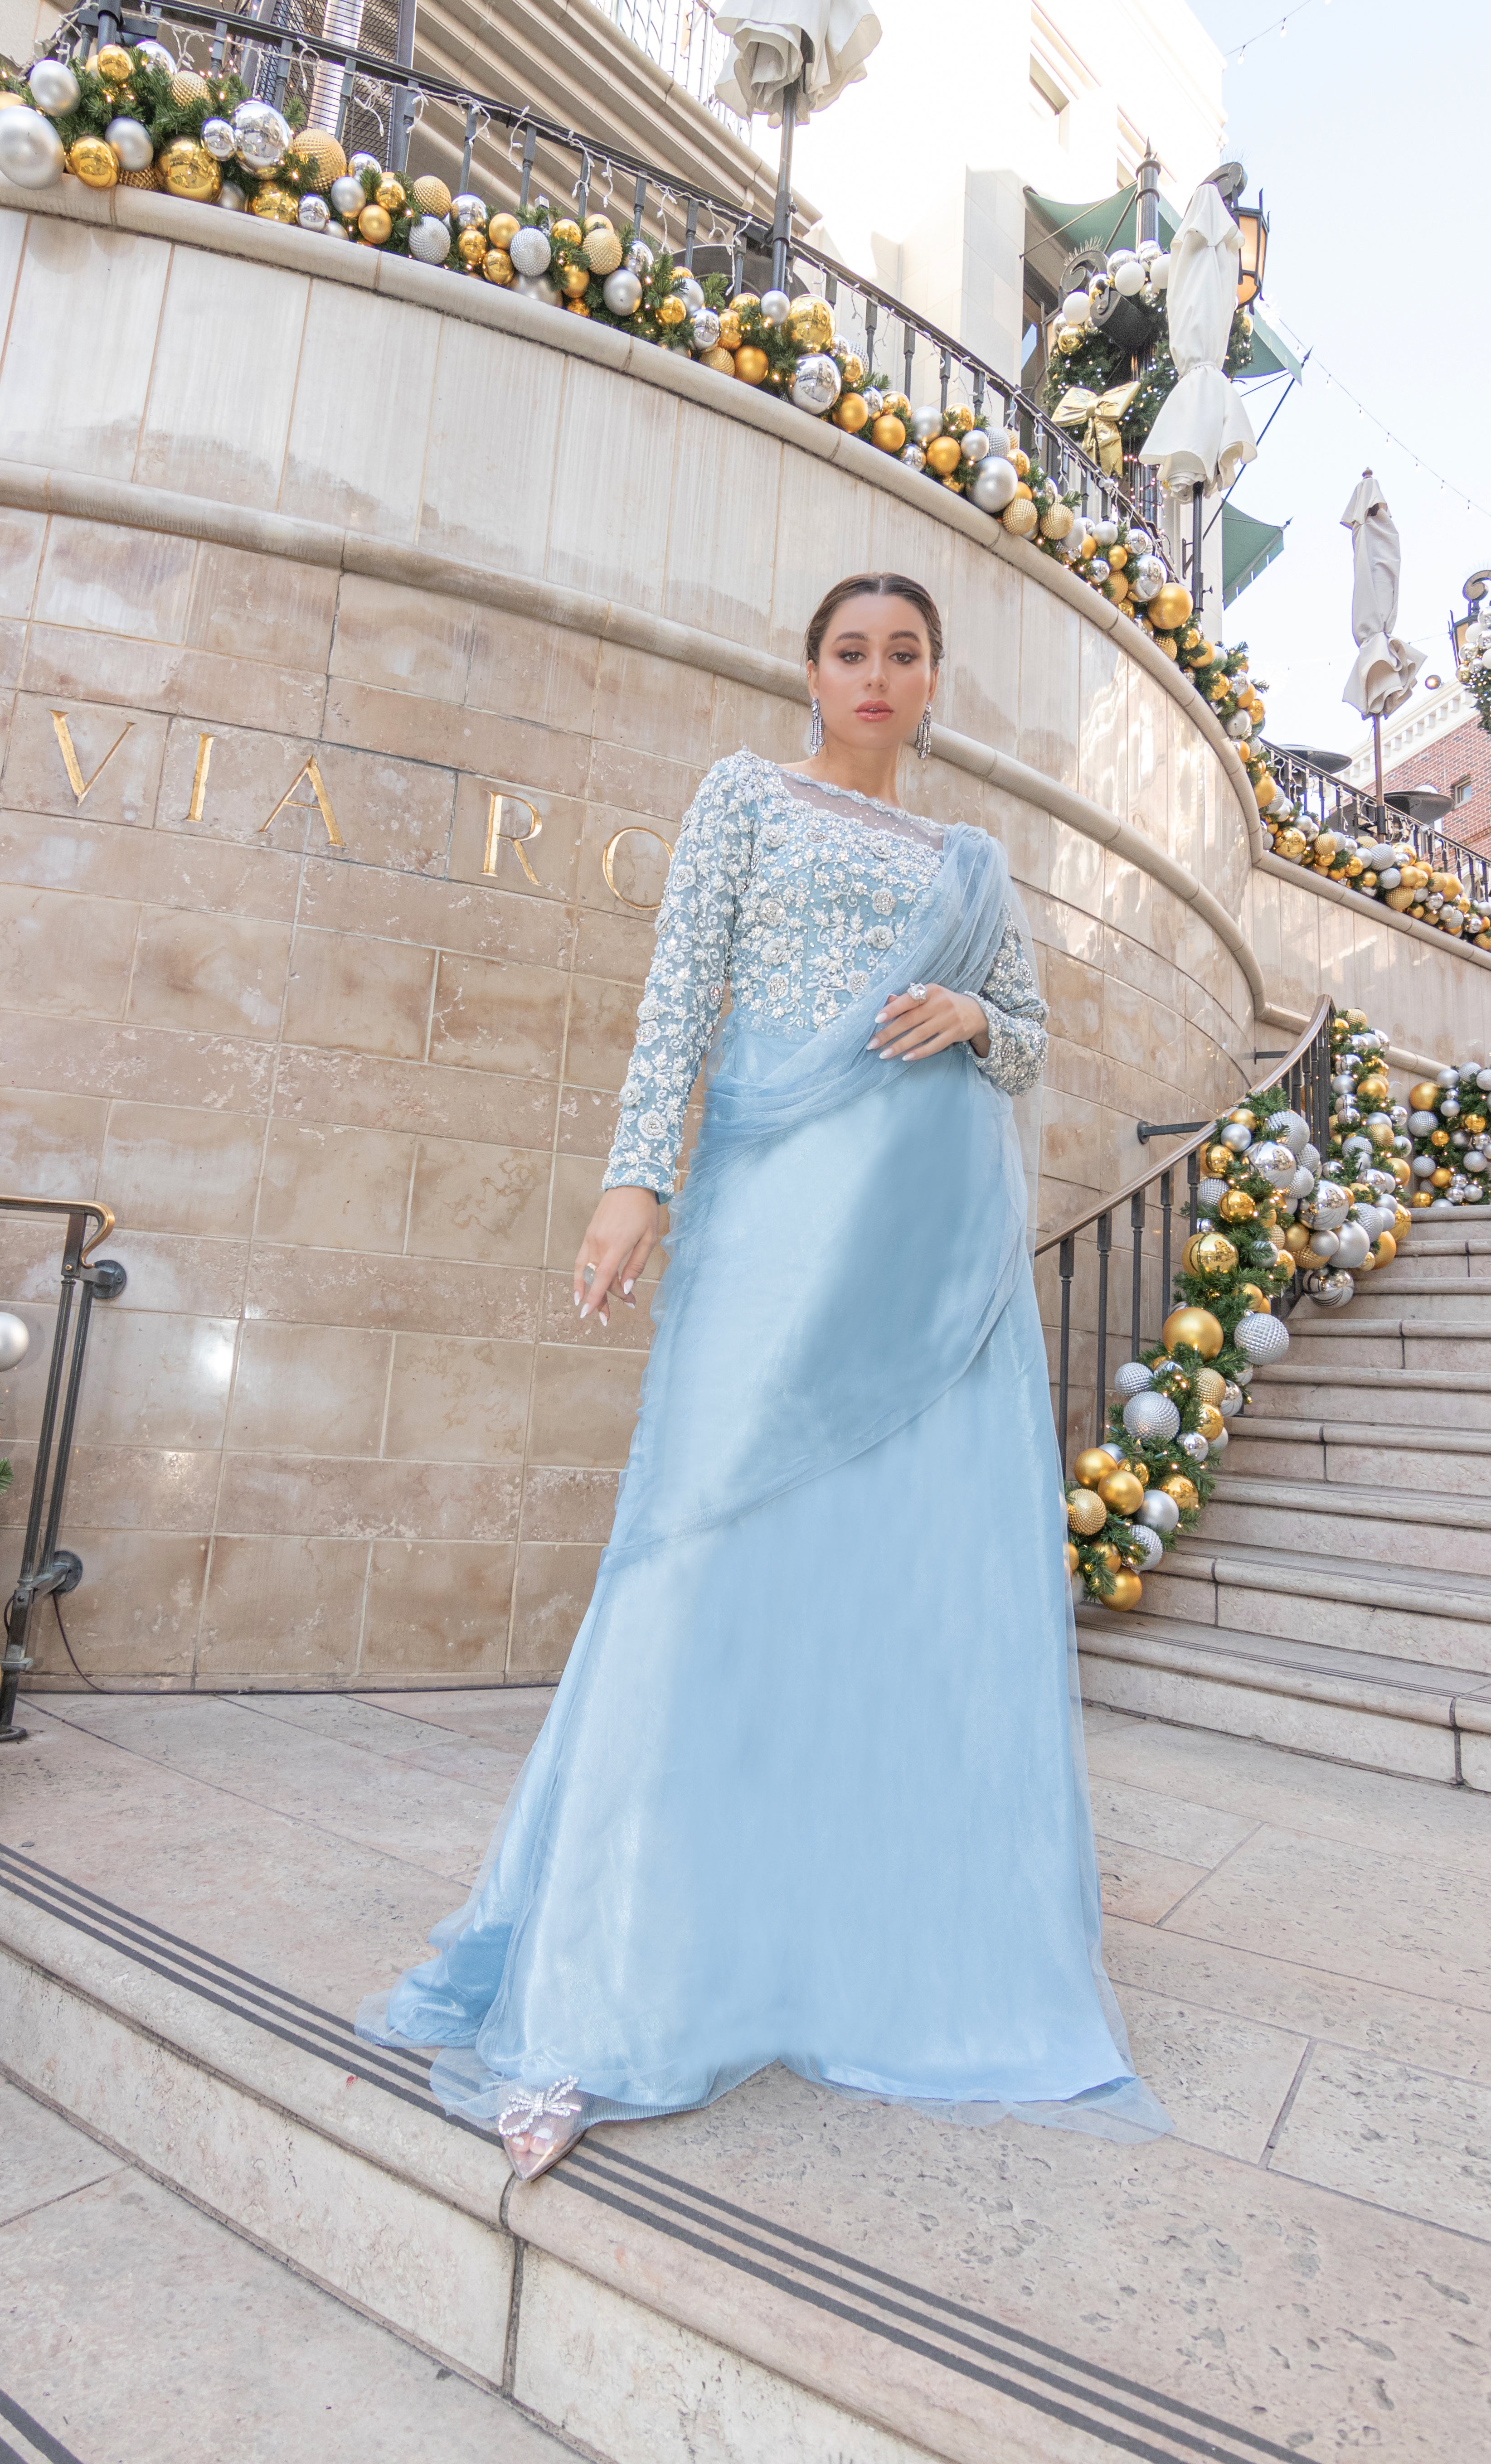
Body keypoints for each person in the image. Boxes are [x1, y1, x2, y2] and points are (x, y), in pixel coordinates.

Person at [359, 572, 1168, 2177]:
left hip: (928, 1267)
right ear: (811, 671)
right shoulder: (744, 800)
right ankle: (600, 1998)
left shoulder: (971, 865)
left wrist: (972, 1018)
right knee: (694, 1556)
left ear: (937, 686)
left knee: (884, 1590)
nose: (877, 676)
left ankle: (852, 1933)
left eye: (907, 656)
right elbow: (682, 998)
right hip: (770, 1223)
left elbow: (1027, 1038)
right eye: (852, 652)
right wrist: (631, 1177)